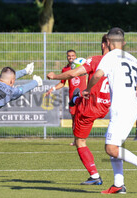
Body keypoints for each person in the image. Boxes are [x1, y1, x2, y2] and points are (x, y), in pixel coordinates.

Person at [82, 27, 137, 194]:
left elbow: (97, 75)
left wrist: (87, 89)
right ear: (124, 42)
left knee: (111, 148)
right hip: (130, 107)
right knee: (115, 145)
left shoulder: (110, 57)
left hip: (122, 109)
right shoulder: (133, 59)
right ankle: (118, 184)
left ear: (108, 42)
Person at [46, 34, 110, 185]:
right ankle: (77, 99)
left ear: (103, 45)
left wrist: (54, 76)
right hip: (106, 105)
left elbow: (73, 73)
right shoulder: (119, 62)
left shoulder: (95, 60)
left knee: (79, 141)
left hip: (90, 106)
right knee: (113, 146)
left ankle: (95, 176)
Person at [45, 49, 87, 146]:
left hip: (82, 96)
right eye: (69, 56)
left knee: (81, 118)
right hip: (73, 98)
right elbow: (62, 83)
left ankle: (81, 139)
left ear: (76, 56)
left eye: (73, 55)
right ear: (67, 57)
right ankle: (76, 140)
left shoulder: (82, 67)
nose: (71, 57)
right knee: (74, 118)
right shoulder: (65, 70)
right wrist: (53, 88)